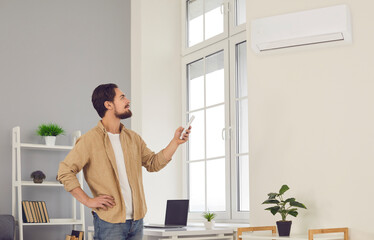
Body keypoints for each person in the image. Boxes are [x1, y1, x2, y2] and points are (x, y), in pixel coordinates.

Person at [57, 83, 191, 240]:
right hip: (109, 222)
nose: (128, 100)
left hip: (137, 221)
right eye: (122, 97)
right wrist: (88, 200)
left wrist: (175, 142)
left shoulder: (133, 138)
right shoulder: (89, 140)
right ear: (108, 105)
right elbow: (64, 171)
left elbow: (153, 163)